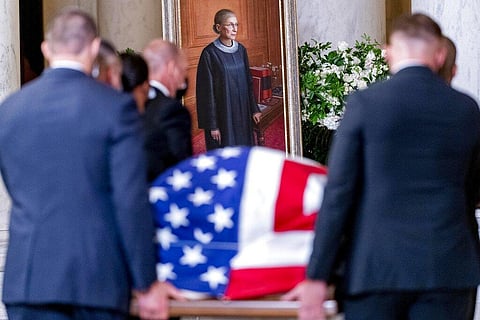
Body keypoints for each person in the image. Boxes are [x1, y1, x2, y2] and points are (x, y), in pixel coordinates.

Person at [283, 13, 480, 320]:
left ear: (388, 53)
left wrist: (316, 275)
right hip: (447, 267)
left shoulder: (365, 103)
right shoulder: (466, 109)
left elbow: (338, 193)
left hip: (375, 268)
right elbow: (472, 191)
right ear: (440, 54)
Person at [0, 8, 183, 320]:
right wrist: (146, 282)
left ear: (47, 49)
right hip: (95, 280)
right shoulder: (115, 108)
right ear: (95, 48)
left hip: (28, 280)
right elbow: (129, 198)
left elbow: (16, 186)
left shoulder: (10, 109)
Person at [196, 8, 262, 150]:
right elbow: (206, 94)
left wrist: (254, 109)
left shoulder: (241, 50)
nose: (234, 29)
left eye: (236, 25)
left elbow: (249, 83)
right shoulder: (209, 54)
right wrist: (212, 125)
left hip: (242, 112)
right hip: (223, 115)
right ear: (219, 27)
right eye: (230, 24)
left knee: (244, 152)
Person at [142, 39, 193, 182]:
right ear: (172, 68)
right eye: (183, 70)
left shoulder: (131, 99)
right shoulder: (172, 110)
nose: (183, 81)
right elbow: (181, 168)